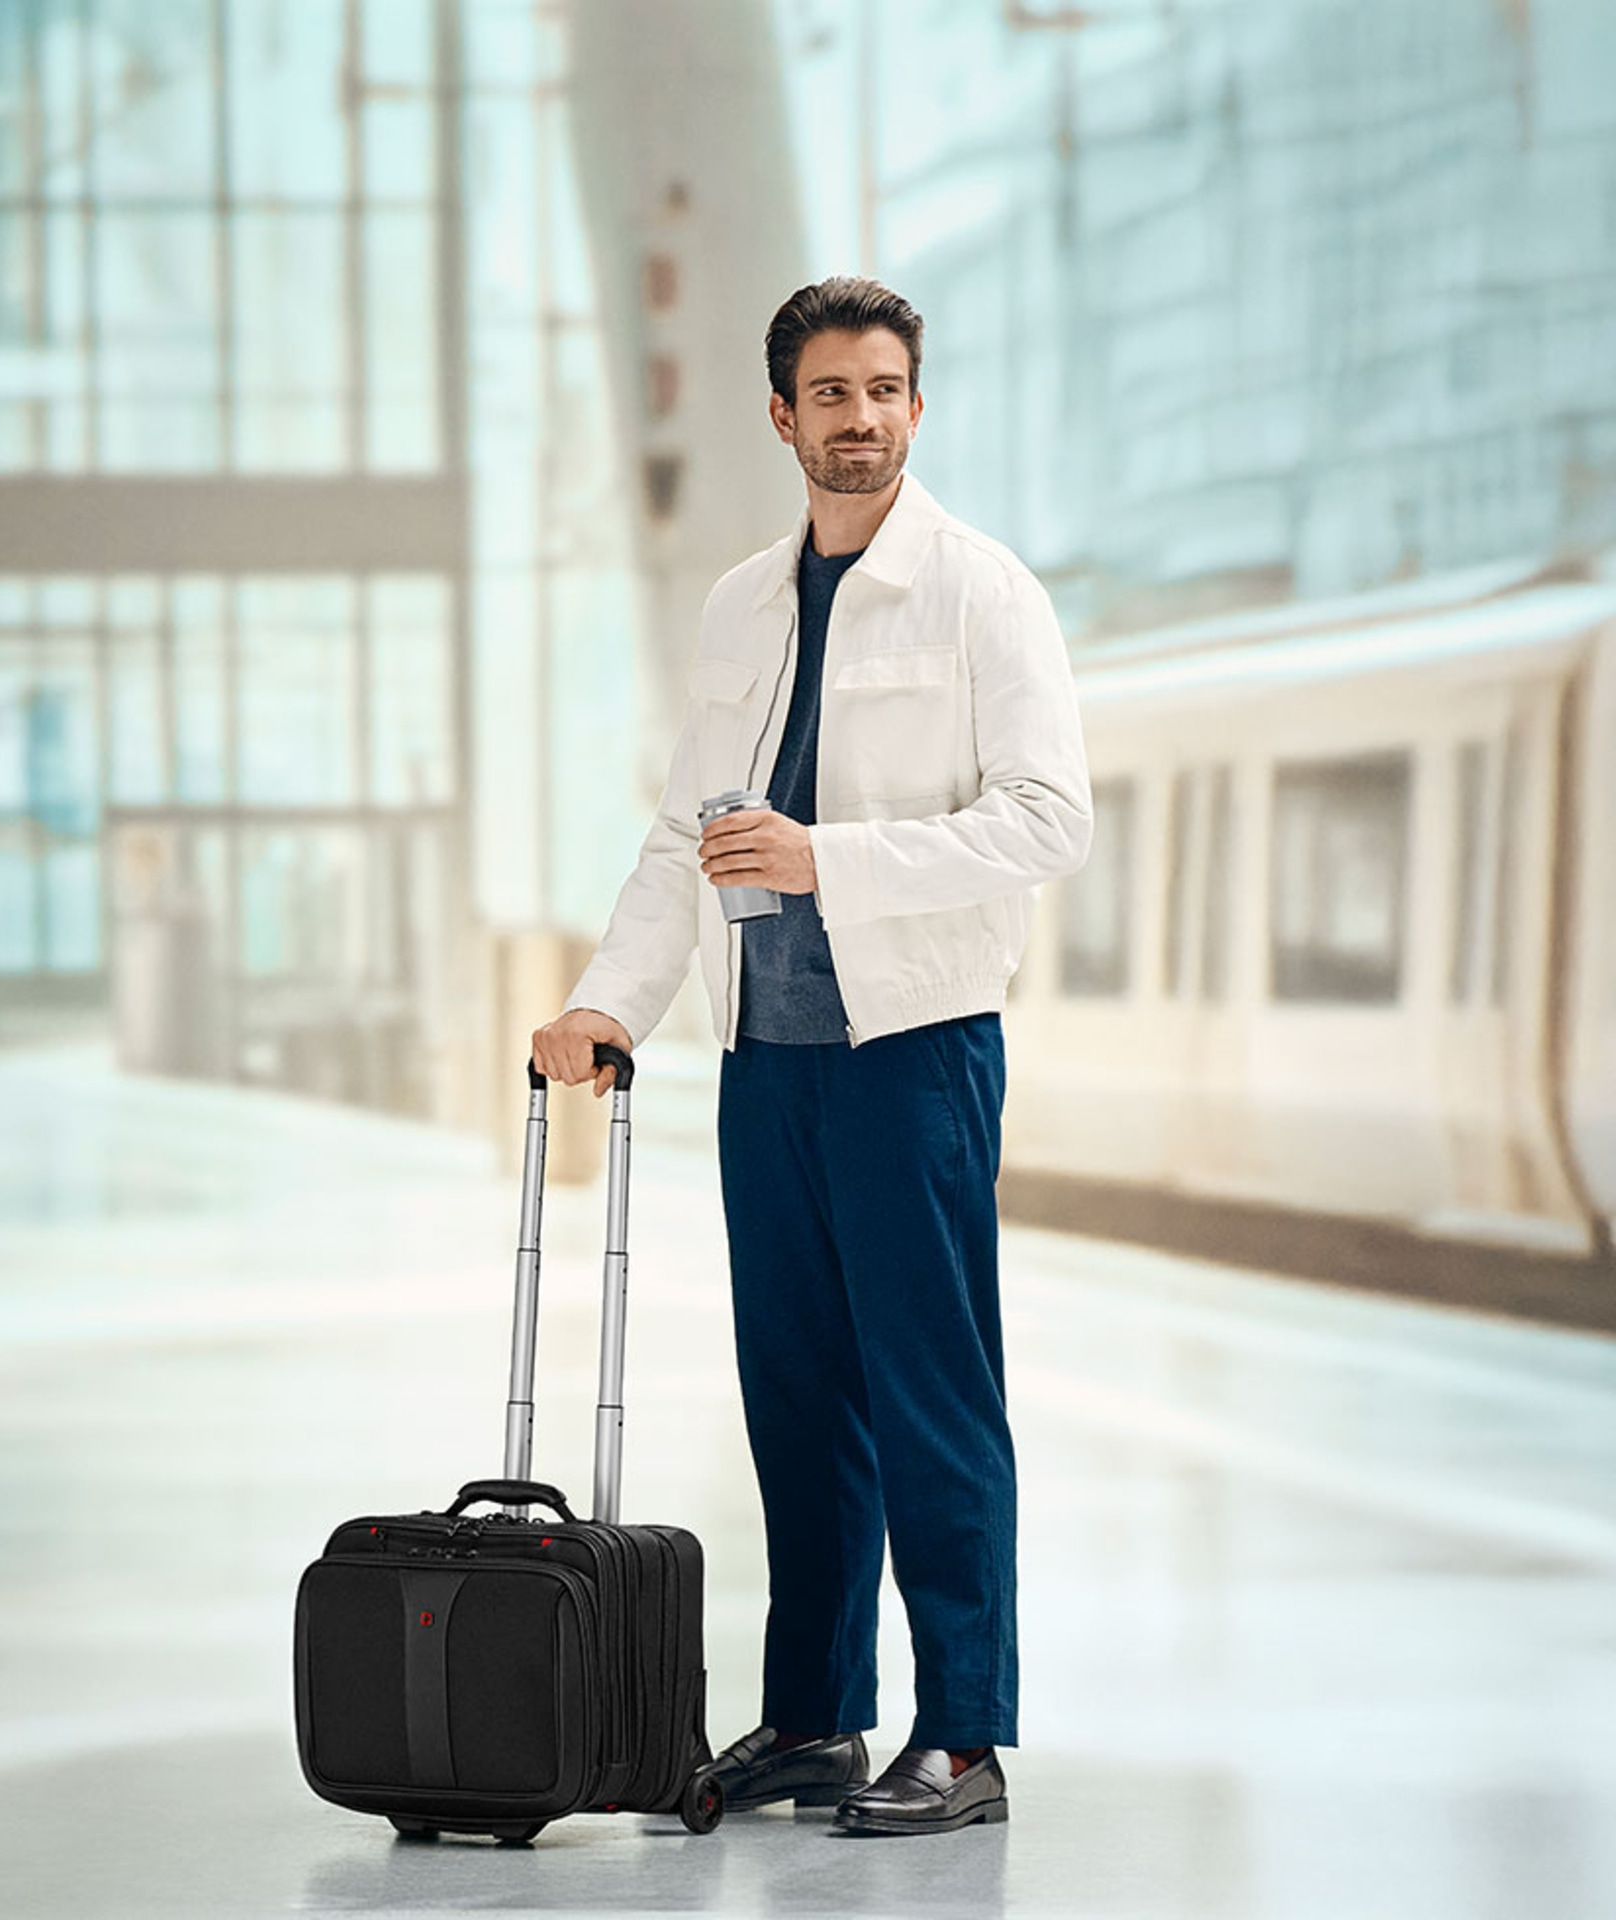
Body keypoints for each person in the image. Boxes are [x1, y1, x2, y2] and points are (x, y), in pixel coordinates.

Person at [530, 276, 1092, 1836]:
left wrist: (830, 858)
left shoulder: (986, 595)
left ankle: (965, 1736)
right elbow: (687, 835)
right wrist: (610, 1004)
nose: (862, 419)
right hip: (767, 1057)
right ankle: (816, 1719)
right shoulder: (741, 604)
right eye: (832, 394)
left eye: (887, 390)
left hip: (911, 1053)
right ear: (783, 416)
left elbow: (1051, 822)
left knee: (932, 1398)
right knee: (794, 1398)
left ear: (919, 406)